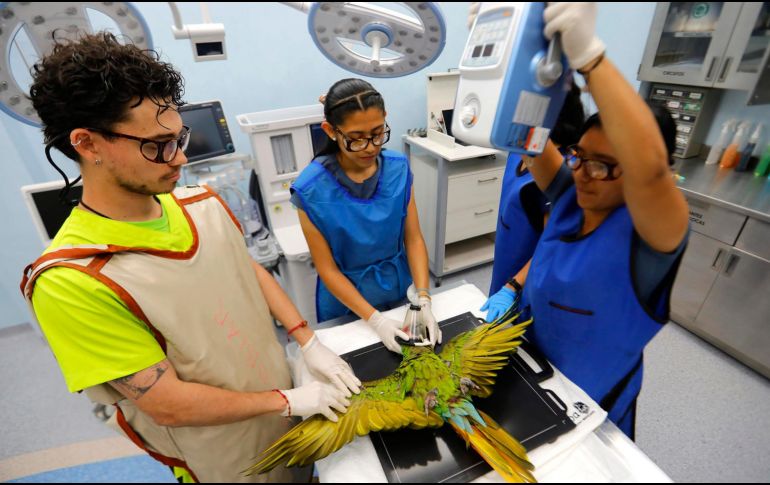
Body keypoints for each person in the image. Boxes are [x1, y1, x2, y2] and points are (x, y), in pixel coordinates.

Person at [20, 33, 361, 483]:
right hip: (224, 457)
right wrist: (289, 401)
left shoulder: (201, 206)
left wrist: (306, 342)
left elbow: (247, 270)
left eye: (179, 136)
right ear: (87, 143)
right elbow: (167, 404)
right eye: (157, 145)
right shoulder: (76, 279)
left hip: (286, 414)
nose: (179, 157)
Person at [522, 3, 690, 439]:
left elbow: (650, 169)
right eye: (580, 156)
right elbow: (526, 134)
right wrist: (515, 58)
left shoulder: (651, 238)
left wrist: (591, 58)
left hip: (593, 412)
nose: (583, 172)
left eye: (604, 165)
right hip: (533, 380)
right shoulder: (568, 197)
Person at [290, 79, 441, 353]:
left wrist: (423, 298)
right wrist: (375, 321)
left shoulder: (398, 169)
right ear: (331, 131)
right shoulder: (310, 189)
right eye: (357, 138)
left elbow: (414, 239)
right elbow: (327, 269)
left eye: (378, 133)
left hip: (398, 286)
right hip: (346, 301)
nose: (371, 147)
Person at [482, 81, 585, 322]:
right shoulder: (520, 149)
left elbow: (555, 245)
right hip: (505, 268)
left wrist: (513, 287)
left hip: (528, 283)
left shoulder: (562, 171)